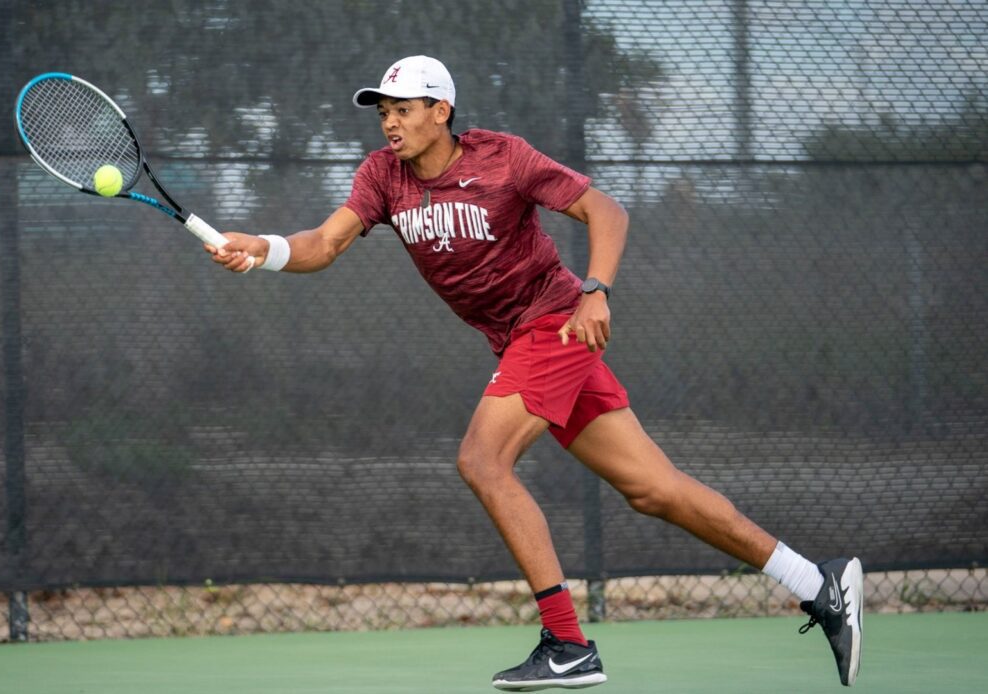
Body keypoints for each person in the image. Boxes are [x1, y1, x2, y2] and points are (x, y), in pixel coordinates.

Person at [206, 55, 864, 690]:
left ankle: (568, 645)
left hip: (556, 324)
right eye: (384, 111)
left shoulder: (503, 158)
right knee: (653, 489)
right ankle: (818, 584)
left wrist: (597, 288)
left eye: (404, 110)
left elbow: (606, 210)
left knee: (482, 461)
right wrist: (262, 249)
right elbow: (327, 242)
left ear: (442, 110)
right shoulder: (383, 175)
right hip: (520, 341)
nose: (390, 123)